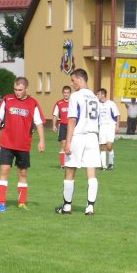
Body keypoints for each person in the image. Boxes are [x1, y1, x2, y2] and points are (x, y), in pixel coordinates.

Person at [0, 76, 45, 212]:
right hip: (6, 143)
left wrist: (41, 140)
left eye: (20, 90)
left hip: (23, 145)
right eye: (15, 89)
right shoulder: (7, 99)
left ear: (26, 88)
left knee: (22, 173)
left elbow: (38, 123)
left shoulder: (33, 103)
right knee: (4, 170)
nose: (17, 92)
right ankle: (1, 203)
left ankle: (21, 202)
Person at [55, 68, 101, 215]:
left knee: (69, 170)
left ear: (80, 80)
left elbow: (72, 120)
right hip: (93, 137)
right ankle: (90, 207)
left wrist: (68, 142)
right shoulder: (95, 97)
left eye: (73, 81)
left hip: (79, 136)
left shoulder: (75, 96)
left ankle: (67, 206)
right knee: (91, 173)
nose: (72, 84)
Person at [97, 88, 120, 170]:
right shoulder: (97, 104)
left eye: (98, 94)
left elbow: (117, 115)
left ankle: (111, 163)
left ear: (103, 95)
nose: (97, 96)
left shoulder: (111, 103)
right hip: (102, 126)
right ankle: (103, 165)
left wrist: (117, 126)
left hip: (110, 126)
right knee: (102, 146)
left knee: (109, 146)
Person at [52, 85, 71, 168]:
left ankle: (70, 163)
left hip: (71, 126)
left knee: (70, 144)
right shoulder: (59, 103)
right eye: (65, 93)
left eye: (68, 93)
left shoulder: (73, 103)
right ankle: (62, 164)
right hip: (62, 125)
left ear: (70, 93)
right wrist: (54, 125)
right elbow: (55, 115)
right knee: (63, 143)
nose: (66, 94)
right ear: (63, 93)